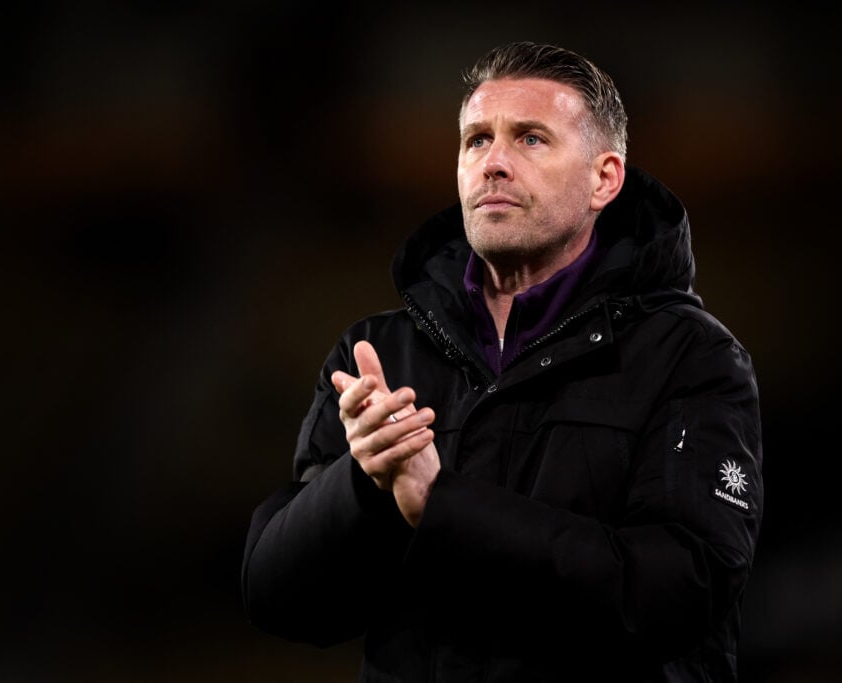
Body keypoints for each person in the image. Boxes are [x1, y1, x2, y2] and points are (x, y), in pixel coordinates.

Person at [241, 41, 763, 682]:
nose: (493, 163)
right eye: (476, 140)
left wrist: (442, 505)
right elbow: (281, 600)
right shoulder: (375, 354)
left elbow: (685, 589)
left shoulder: (690, 356)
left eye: (531, 139)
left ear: (604, 179)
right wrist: (362, 484)